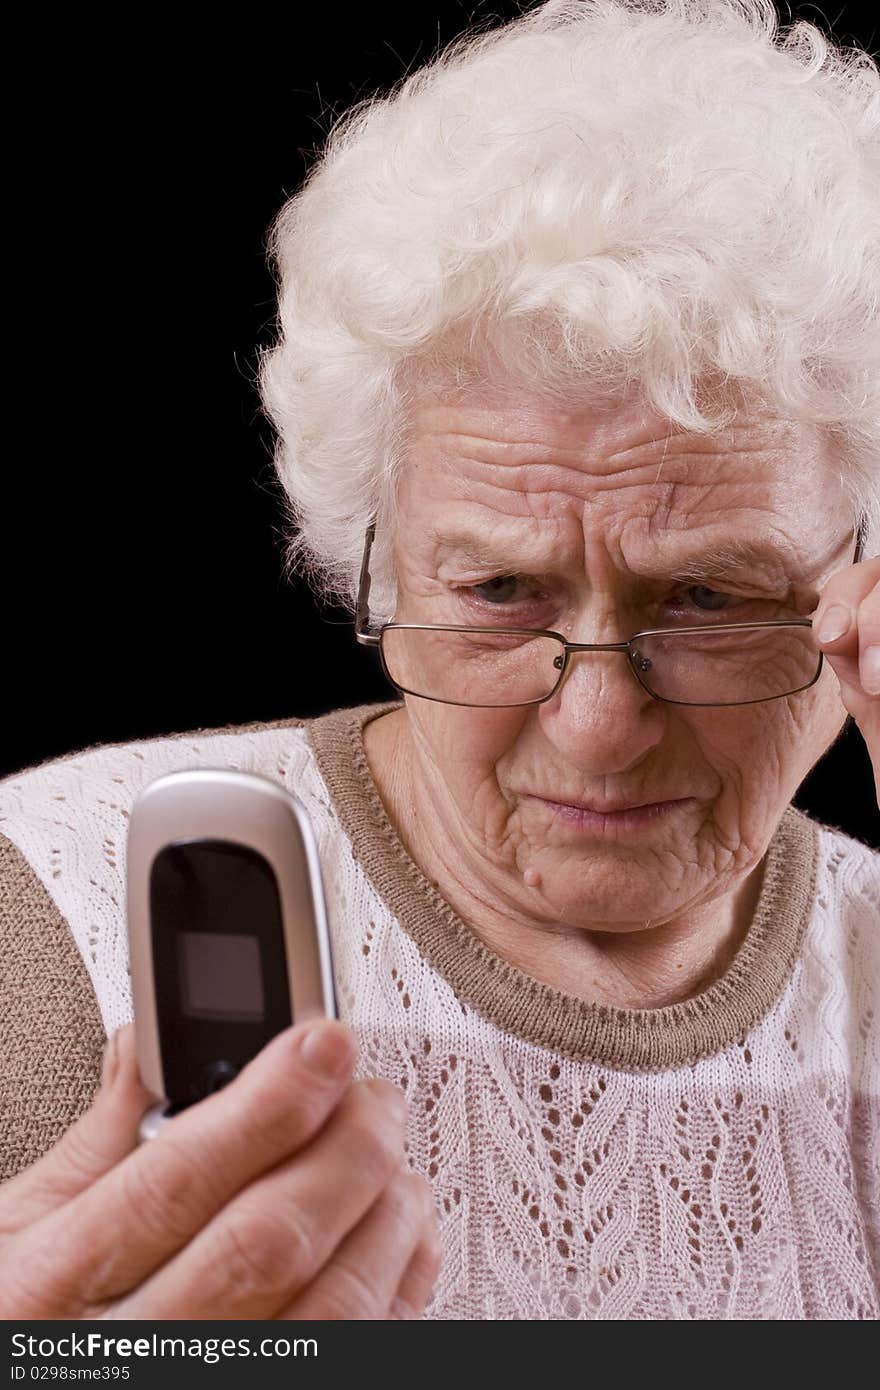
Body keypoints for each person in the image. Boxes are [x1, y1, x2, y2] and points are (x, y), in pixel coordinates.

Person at [1, 0, 878, 1321]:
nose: (594, 725)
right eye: (498, 590)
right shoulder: (60, 903)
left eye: (709, 596)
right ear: (380, 552)